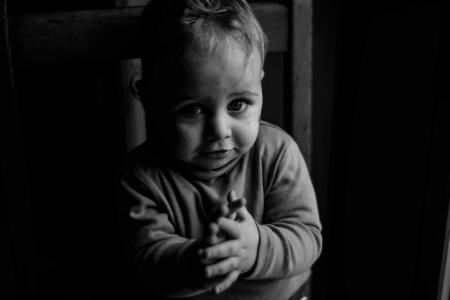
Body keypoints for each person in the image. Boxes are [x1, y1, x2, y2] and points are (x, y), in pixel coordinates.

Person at [118, 0, 322, 299]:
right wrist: (199, 260)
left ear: (259, 85)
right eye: (193, 109)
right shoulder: (141, 177)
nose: (220, 130)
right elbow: (146, 260)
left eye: (238, 104)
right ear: (150, 101)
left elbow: (307, 238)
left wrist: (255, 248)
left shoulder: (276, 153)